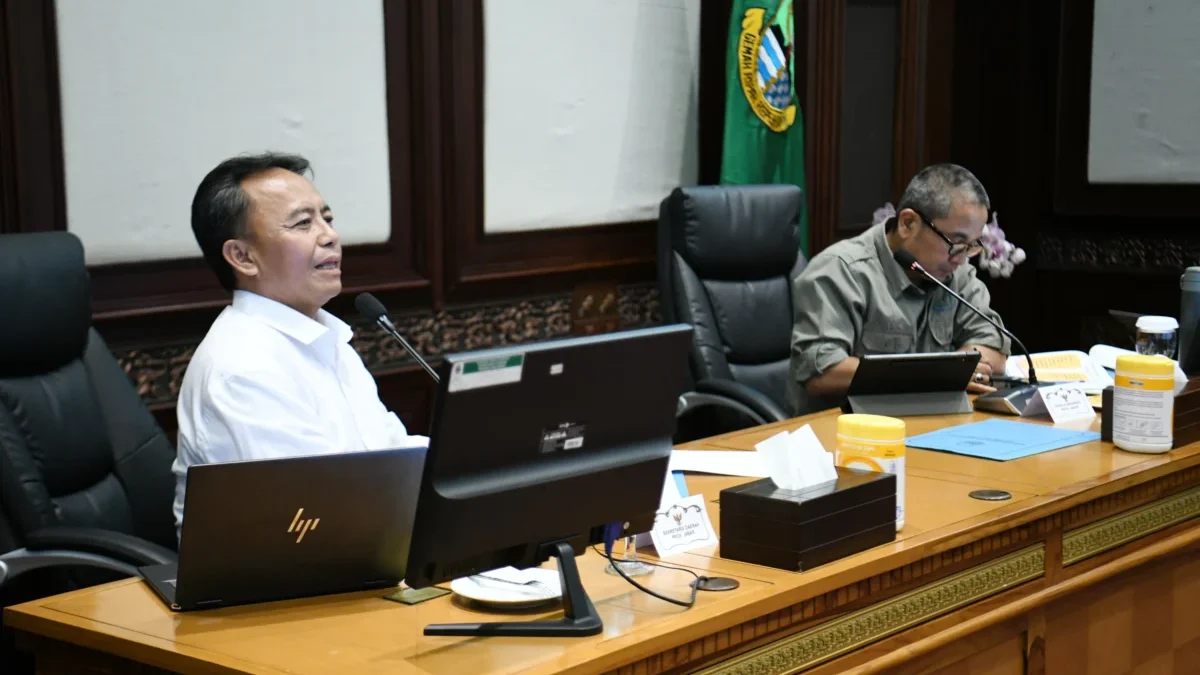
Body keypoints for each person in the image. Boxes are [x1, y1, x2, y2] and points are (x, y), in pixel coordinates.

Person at [172, 152, 428, 538]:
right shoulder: (242, 367)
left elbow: (388, 453)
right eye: (303, 223)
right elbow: (315, 514)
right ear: (242, 256)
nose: (329, 235)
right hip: (279, 584)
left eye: (327, 218)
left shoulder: (325, 336)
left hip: (360, 547)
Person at [787, 163, 1011, 416]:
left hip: (930, 424)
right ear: (908, 224)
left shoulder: (954, 272)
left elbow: (993, 346)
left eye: (972, 245)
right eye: (956, 243)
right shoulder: (841, 271)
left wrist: (963, 367)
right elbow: (822, 372)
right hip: (847, 433)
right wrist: (937, 375)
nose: (961, 258)